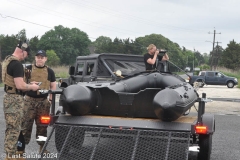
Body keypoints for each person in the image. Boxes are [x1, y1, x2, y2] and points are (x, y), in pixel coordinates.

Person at [2, 41, 39, 159]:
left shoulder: (7, 61)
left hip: (9, 97)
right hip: (14, 100)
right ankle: (11, 156)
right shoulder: (16, 64)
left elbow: (15, 82)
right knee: (14, 129)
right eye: (27, 54)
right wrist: (32, 87)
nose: (26, 56)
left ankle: (15, 153)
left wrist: (27, 83)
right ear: (23, 51)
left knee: (11, 127)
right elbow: (20, 86)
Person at [22, 50, 56, 153]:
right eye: (38, 57)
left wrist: (51, 99)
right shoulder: (27, 69)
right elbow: (21, 83)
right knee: (25, 126)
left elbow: (53, 86)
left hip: (43, 103)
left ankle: (42, 148)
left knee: (42, 127)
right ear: (35, 58)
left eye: (42, 57)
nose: (40, 59)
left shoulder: (50, 71)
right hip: (29, 101)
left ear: (45, 59)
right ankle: (21, 149)